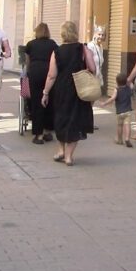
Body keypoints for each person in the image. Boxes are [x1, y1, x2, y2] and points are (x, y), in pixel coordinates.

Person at [42, 21, 96, 167]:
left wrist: (45, 92)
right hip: (79, 89)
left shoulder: (57, 52)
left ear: (62, 33)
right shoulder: (83, 49)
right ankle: (69, 156)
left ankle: (61, 150)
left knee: (61, 119)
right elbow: (92, 68)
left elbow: (51, 75)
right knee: (75, 121)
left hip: (61, 89)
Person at [24, 23, 58, 144]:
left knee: (36, 103)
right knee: (49, 101)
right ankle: (48, 131)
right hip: (49, 73)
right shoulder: (53, 44)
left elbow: (27, 61)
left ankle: (38, 135)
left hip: (35, 73)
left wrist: (28, 73)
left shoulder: (30, 44)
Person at [100, 73, 133, 148]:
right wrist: (129, 81)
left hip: (119, 112)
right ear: (126, 81)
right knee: (127, 125)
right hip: (128, 111)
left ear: (117, 82)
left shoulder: (117, 90)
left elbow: (112, 98)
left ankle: (119, 139)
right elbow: (132, 86)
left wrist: (104, 103)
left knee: (120, 126)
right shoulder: (128, 89)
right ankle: (127, 138)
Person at [85, 25, 105, 91]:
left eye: (103, 35)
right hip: (91, 76)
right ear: (95, 34)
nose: (101, 37)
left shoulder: (101, 47)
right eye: (99, 34)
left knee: (95, 97)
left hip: (98, 76)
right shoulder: (90, 45)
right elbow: (88, 61)